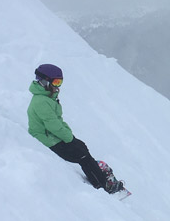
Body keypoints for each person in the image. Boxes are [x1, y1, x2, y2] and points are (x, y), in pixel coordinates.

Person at [27, 64, 124, 194]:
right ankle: (103, 185)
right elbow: (53, 125)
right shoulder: (42, 102)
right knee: (81, 155)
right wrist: (69, 138)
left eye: (60, 82)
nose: (58, 86)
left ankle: (95, 171)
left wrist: (70, 137)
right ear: (44, 81)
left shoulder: (47, 98)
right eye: (56, 82)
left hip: (52, 136)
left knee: (81, 147)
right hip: (47, 139)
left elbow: (57, 121)